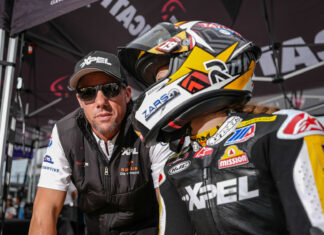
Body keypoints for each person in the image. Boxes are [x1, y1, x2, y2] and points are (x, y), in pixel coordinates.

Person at [118, 21, 324, 234]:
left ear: (203, 62)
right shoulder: (175, 165)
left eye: (160, 77)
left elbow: (314, 225)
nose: (154, 88)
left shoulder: (284, 131)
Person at [28, 51, 171, 235]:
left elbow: (170, 209)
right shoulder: (65, 133)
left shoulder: (149, 125)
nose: (100, 101)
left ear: (127, 94)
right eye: (88, 93)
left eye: (110, 89)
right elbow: (44, 214)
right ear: (80, 101)